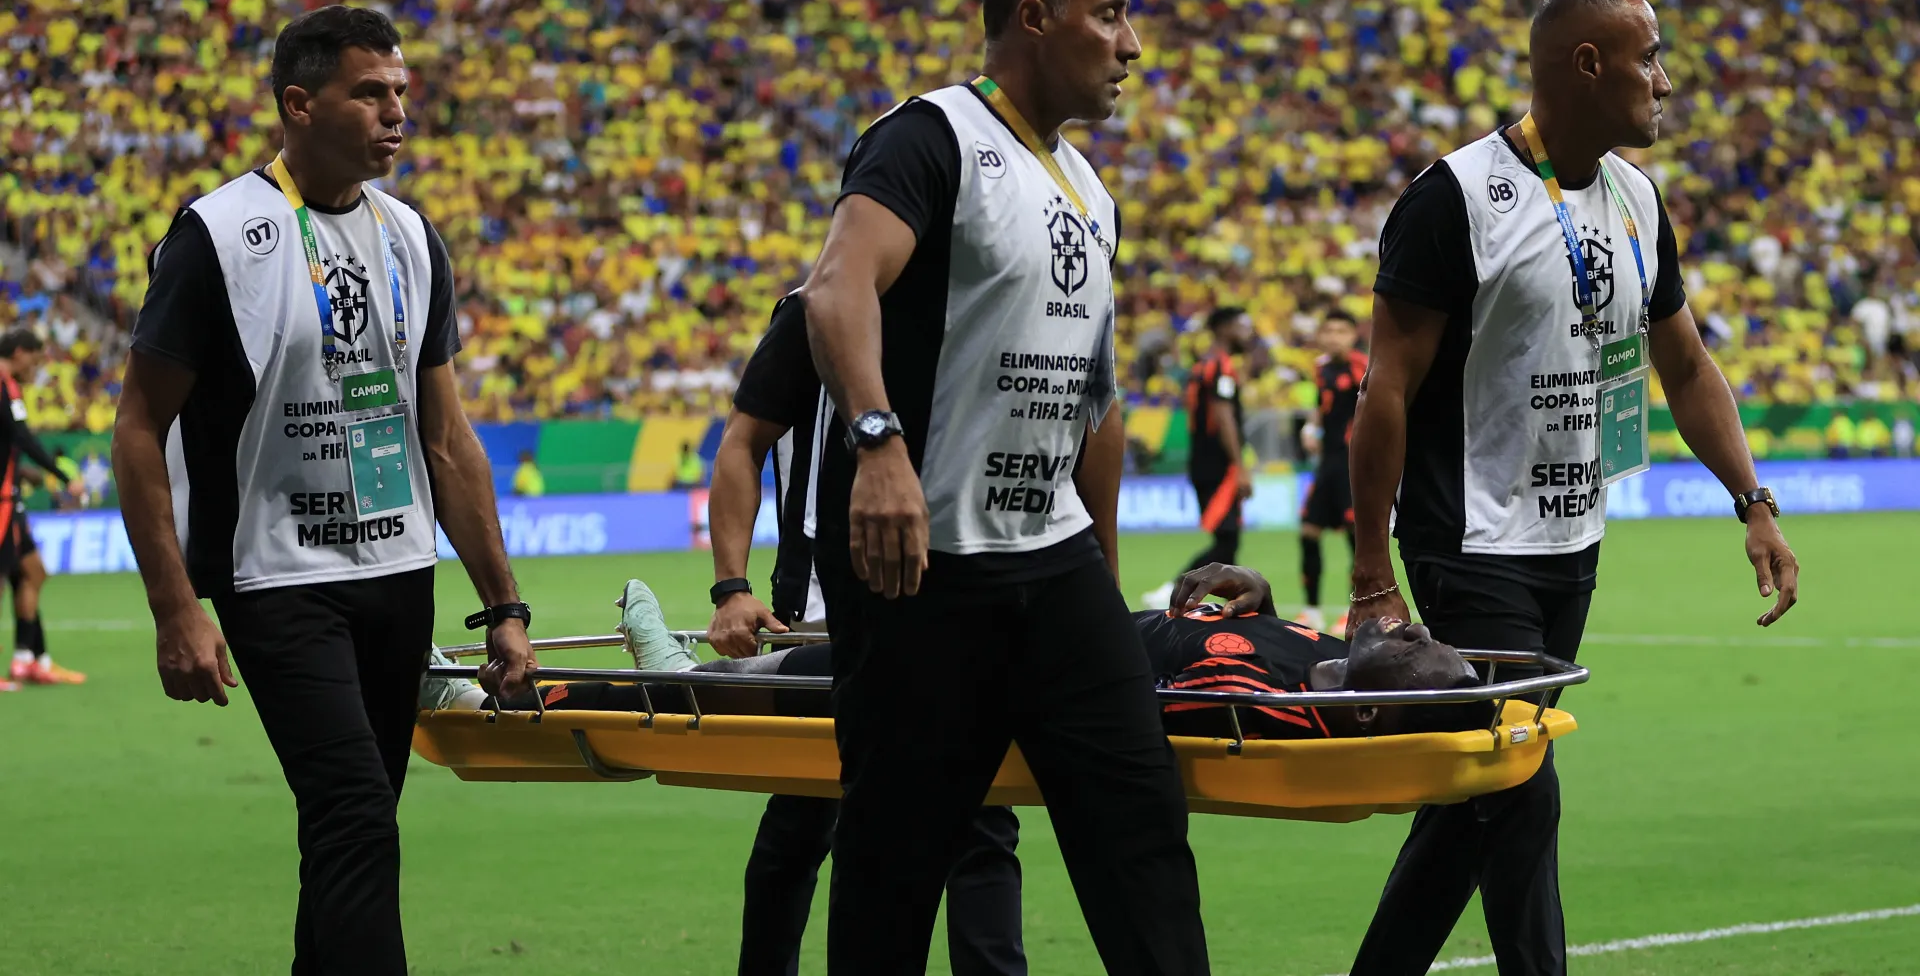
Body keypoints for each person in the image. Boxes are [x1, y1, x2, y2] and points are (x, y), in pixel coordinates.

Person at [1343, 0, 1800, 976]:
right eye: (1648, 57)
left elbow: (1683, 364)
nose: (1665, 81)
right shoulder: (1456, 198)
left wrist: (1753, 502)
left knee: (1473, 800)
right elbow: (1383, 392)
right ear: (1587, 65)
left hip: (1570, 547)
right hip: (1469, 544)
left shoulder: (1637, 199)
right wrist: (1373, 575)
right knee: (1522, 780)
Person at [800, 0, 1210, 975]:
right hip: (925, 574)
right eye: (1111, 14)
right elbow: (838, 286)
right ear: (1036, 16)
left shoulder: (1091, 190)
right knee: (894, 866)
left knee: (1142, 832)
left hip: (1054, 564)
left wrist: (1107, 584)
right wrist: (878, 442)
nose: (1131, 46)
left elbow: (1095, 406)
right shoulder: (931, 138)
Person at [110, 5, 539, 976]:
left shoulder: (413, 237)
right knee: (353, 813)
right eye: (370, 93)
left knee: (351, 829)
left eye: (402, 94)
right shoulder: (220, 237)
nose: (397, 114)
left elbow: (447, 439)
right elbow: (138, 427)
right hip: (276, 577)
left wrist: (503, 604)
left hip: (397, 568)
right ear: (299, 104)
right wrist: (176, 609)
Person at [705, 294, 1026, 976]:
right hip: (820, 615)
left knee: (983, 824)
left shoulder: (979, 296)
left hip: (954, 608)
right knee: (802, 821)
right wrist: (731, 587)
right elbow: (743, 444)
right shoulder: (812, 309)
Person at [434, 560, 1492, 744]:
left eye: (1408, 642)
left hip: (1040, 659)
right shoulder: (1304, 648)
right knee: (857, 646)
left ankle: (681, 681)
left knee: (844, 670)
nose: (1405, 625)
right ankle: (697, 671)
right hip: (1078, 625)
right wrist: (1236, 598)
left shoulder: (1287, 677)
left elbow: (1185, 698)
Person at [1141, 307, 1256, 612]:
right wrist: (1239, 465)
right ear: (1224, 329)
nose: (1248, 332)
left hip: (1207, 462)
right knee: (1227, 538)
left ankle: (1225, 606)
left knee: (1229, 540)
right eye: (1242, 325)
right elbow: (1223, 416)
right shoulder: (1220, 367)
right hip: (1216, 465)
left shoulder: (1206, 365)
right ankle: (1174, 590)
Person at [0, 328, 86, 688]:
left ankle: (29, 659)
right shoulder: (4, 383)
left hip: (11, 494)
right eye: (34, 361)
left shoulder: (9, 386)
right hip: (1, 499)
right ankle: (31, 660)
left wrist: (27, 473)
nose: (35, 369)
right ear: (20, 353)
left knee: (32, 573)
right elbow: (19, 435)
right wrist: (62, 476)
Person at [1298, 310, 1366, 632]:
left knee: (1356, 539)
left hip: (1353, 465)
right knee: (1308, 532)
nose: (1334, 336)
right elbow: (1320, 406)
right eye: (1329, 330)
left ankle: (1357, 607)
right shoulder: (1321, 369)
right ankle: (1311, 610)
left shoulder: (1362, 367)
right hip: (1327, 464)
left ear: (1353, 335)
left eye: (1341, 330)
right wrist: (1310, 429)